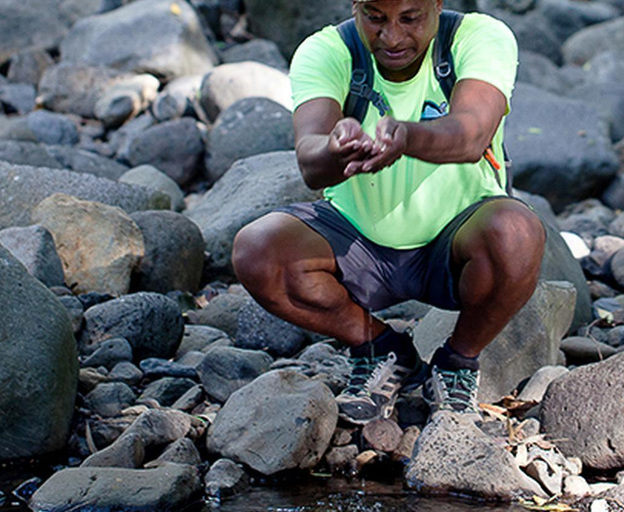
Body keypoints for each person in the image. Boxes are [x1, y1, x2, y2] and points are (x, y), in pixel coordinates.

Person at [232, 0, 546, 426]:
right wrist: (335, 147)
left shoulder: (479, 37)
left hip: (456, 240)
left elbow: (471, 134)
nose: (393, 37)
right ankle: (381, 350)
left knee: (517, 233)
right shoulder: (327, 51)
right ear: (355, 6)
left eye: (411, 18)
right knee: (257, 250)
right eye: (375, 18)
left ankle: (456, 363)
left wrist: (405, 138)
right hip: (357, 240)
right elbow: (310, 162)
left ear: (437, 4)